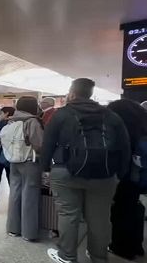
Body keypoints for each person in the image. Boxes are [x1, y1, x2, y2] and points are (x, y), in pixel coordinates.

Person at [42, 78, 130, 263]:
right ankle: (98, 256)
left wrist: (45, 170)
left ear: (72, 93)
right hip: (104, 174)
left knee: (68, 214)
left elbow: (48, 144)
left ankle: (67, 256)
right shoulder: (111, 116)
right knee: (100, 217)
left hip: (65, 171)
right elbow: (125, 147)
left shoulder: (62, 114)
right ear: (91, 94)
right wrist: (120, 174)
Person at [107, 99, 147, 260]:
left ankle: (122, 248)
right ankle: (136, 245)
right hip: (139, 177)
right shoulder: (142, 128)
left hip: (124, 176)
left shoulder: (121, 130)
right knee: (133, 207)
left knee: (120, 212)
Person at [4, 97, 44, 241]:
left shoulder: (11, 120)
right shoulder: (32, 121)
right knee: (30, 196)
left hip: (14, 161)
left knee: (15, 192)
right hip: (30, 162)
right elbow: (39, 144)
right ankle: (29, 233)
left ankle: (13, 229)